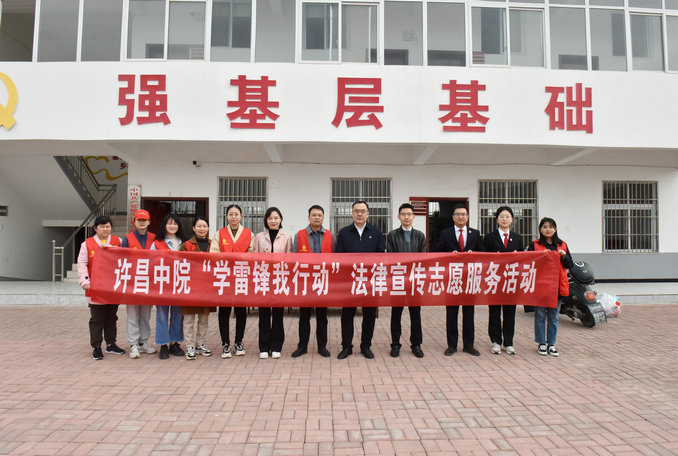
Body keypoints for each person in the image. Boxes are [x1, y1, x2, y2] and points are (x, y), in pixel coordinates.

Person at [335, 201, 386, 360]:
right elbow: (338, 256)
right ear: (352, 213)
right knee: (347, 315)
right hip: (349, 282)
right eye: (356, 211)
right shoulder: (344, 233)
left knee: (369, 315)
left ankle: (366, 346)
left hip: (369, 282)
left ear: (368, 214)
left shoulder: (376, 232)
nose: (359, 214)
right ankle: (346, 347)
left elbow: (381, 256)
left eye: (363, 211)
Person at [435, 203, 482, 357]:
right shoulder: (445, 233)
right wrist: (450, 255)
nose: (461, 217)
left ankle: (469, 345)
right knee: (452, 313)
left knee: (469, 313)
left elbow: (483, 254)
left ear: (467, 217)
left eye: (463, 214)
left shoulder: (475, 234)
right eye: (458, 214)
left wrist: (474, 254)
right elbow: (438, 253)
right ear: (453, 217)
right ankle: (452, 345)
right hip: (452, 278)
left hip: (469, 279)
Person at [77, 215, 126, 360]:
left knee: (111, 317)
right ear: (95, 228)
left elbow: (126, 256)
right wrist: (84, 281)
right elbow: (82, 264)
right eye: (102, 227)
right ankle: (97, 346)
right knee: (97, 318)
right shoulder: (87, 244)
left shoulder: (118, 241)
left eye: (108, 226)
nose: (105, 229)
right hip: (96, 287)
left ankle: (111, 344)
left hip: (112, 286)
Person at [210, 204, 253, 359]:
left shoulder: (249, 234)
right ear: (226, 216)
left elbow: (252, 254)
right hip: (225, 278)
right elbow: (213, 254)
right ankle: (225, 344)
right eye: (230, 214)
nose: (233, 217)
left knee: (241, 311)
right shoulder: (220, 233)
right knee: (224, 311)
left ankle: (239, 342)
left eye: (236, 214)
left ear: (241, 216)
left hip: (241, 277)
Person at [291, 205, 334, 358]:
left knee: (322, 316)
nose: (316, 217)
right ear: (308, 217)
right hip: (305, 282)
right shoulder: (299, 235)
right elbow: (294, 258)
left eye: (319, 215)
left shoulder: (330, 235)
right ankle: (302, 346)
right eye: (314, 215)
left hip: (323, 281)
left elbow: (335, 259)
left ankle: (322, 346)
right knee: (304, 316)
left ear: (323, 217)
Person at [526, 217, 573, 357]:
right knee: (540, 315)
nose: (548, 229)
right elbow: (527, 262)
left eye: (551, 227)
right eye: (545, 227)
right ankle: (541, 343)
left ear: (555, 229)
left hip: (556, 286)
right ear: (540, 229)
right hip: (540, 286)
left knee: (554, 316)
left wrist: (563, 256)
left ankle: (551, 343)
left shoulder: (562, 245)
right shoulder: (534, 245)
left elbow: (570, 264)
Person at [386, 203, 426, 358]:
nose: (407, 217)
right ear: (399, 217)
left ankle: (416, 344)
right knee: (396, 313)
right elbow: (391, 257)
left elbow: (423, 258)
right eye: (403, 214)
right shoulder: (392, 235)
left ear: (414, 216)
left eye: (409, 214)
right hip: (398, 280)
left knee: (415, 314)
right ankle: (395, 344)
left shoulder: (420, 236)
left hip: (414, 280)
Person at [482, 206, 524, 355]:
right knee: (494, 312)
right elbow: (483, 257)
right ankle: (496, 341)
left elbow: (523, 258)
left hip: (511, 280)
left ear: (512, 219)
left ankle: (509, 342)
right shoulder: (489, 237)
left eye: (507, 216)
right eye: (501, 216)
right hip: (494, 280)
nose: (504, 219)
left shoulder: (518, 238)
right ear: (497, 219)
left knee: (510, 312)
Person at [253, 207, 293, 359]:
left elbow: (289, 259)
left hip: (279, 278)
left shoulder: (286, 237)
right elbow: (254, 258)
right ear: (266, 220)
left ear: (280, 219)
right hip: (263, 278)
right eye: (270, 218)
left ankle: (276, 346)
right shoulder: (259, 237)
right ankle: (263, 347)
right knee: (263, 314)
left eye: (276, 218)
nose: (273, 221)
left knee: (278, 314)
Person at [121, 209, 157, 359]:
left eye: (144, 220)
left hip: (148, 283)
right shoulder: (127, 239)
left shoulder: (154, 238)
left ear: (149, 222)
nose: (142, 223)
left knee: (145, 314)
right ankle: (133, 344)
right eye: (139, 220)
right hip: (132, 283)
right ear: (134, 222)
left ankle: (143, 342)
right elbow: (121, 259)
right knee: (133, 314)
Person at [151, 213, 186, 359]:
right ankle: (163, 344)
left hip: (179, 282)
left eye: (175, 223)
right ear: (164, 225)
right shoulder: (156, 243)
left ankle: (174, 343)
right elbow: (151, 262)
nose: (172, 226)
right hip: (162, 283)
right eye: (169, 223)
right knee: (162, 314)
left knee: (178, 314)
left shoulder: (184, 242)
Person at [180, 216, 216, 360]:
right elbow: (181, 264)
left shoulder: (213, 244)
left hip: (207, 288)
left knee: (203, 319)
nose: (202, 229)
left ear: (208, 228)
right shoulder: (186, 245)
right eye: (199, 226)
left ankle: (200, 344)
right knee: (189, 319)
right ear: (193, 228)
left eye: (205, 226)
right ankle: (190, 346)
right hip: (190, 287)